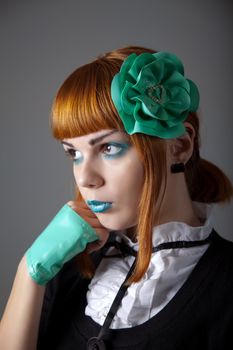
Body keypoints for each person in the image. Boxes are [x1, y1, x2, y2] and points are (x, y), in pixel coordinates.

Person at [0, 46, 233, 350]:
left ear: (179, 146)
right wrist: (29, 272)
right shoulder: (67, 265)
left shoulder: (227, 283)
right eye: (74, 154)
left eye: (109, 148)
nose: (85, 178)